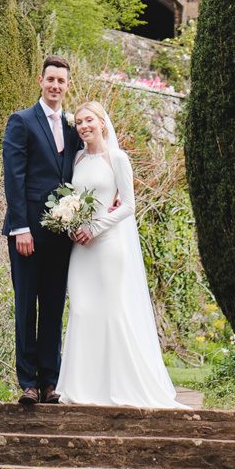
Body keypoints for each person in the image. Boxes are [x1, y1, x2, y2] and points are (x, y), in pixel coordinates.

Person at [52, 98, 181, 408]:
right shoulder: (78, 160)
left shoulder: (117, 158)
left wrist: (95, 228)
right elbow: (75, 199)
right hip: (80, 249)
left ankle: (119, 385)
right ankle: (81, 388)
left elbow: (128, 205)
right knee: (82, 310)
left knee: (110, 311)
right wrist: (71, 223)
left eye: (89, 121)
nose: (83, 127)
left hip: (108, 246)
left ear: (102, 123)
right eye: (79, 122)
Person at [1, 56, 82, 405]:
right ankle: (28, 382)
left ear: (67, 85)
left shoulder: (72, 127)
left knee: (52, 306)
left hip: (60, 236)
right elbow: (14, 177)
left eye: (61, 81)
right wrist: (21, 228)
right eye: (50, 79)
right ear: (40, 80)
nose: (55, 86)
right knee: (27, 306)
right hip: (28, 232)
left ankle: (51, 380)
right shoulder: (21, 121)